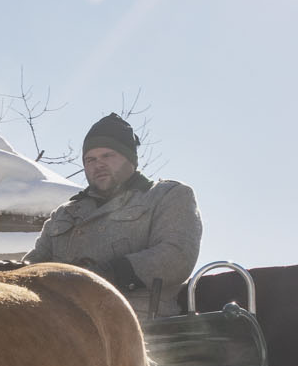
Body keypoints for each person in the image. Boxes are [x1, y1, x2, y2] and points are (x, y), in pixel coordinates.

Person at [27, 113, 202, 320]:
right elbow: (35, 264)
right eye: (90, 159)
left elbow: (176, 255)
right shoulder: (65, 212)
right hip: (61, 319)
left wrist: (110, 273)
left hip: (136, 322)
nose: (98, 164)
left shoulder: (166, 196)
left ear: (130, 159)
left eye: (107, 156)